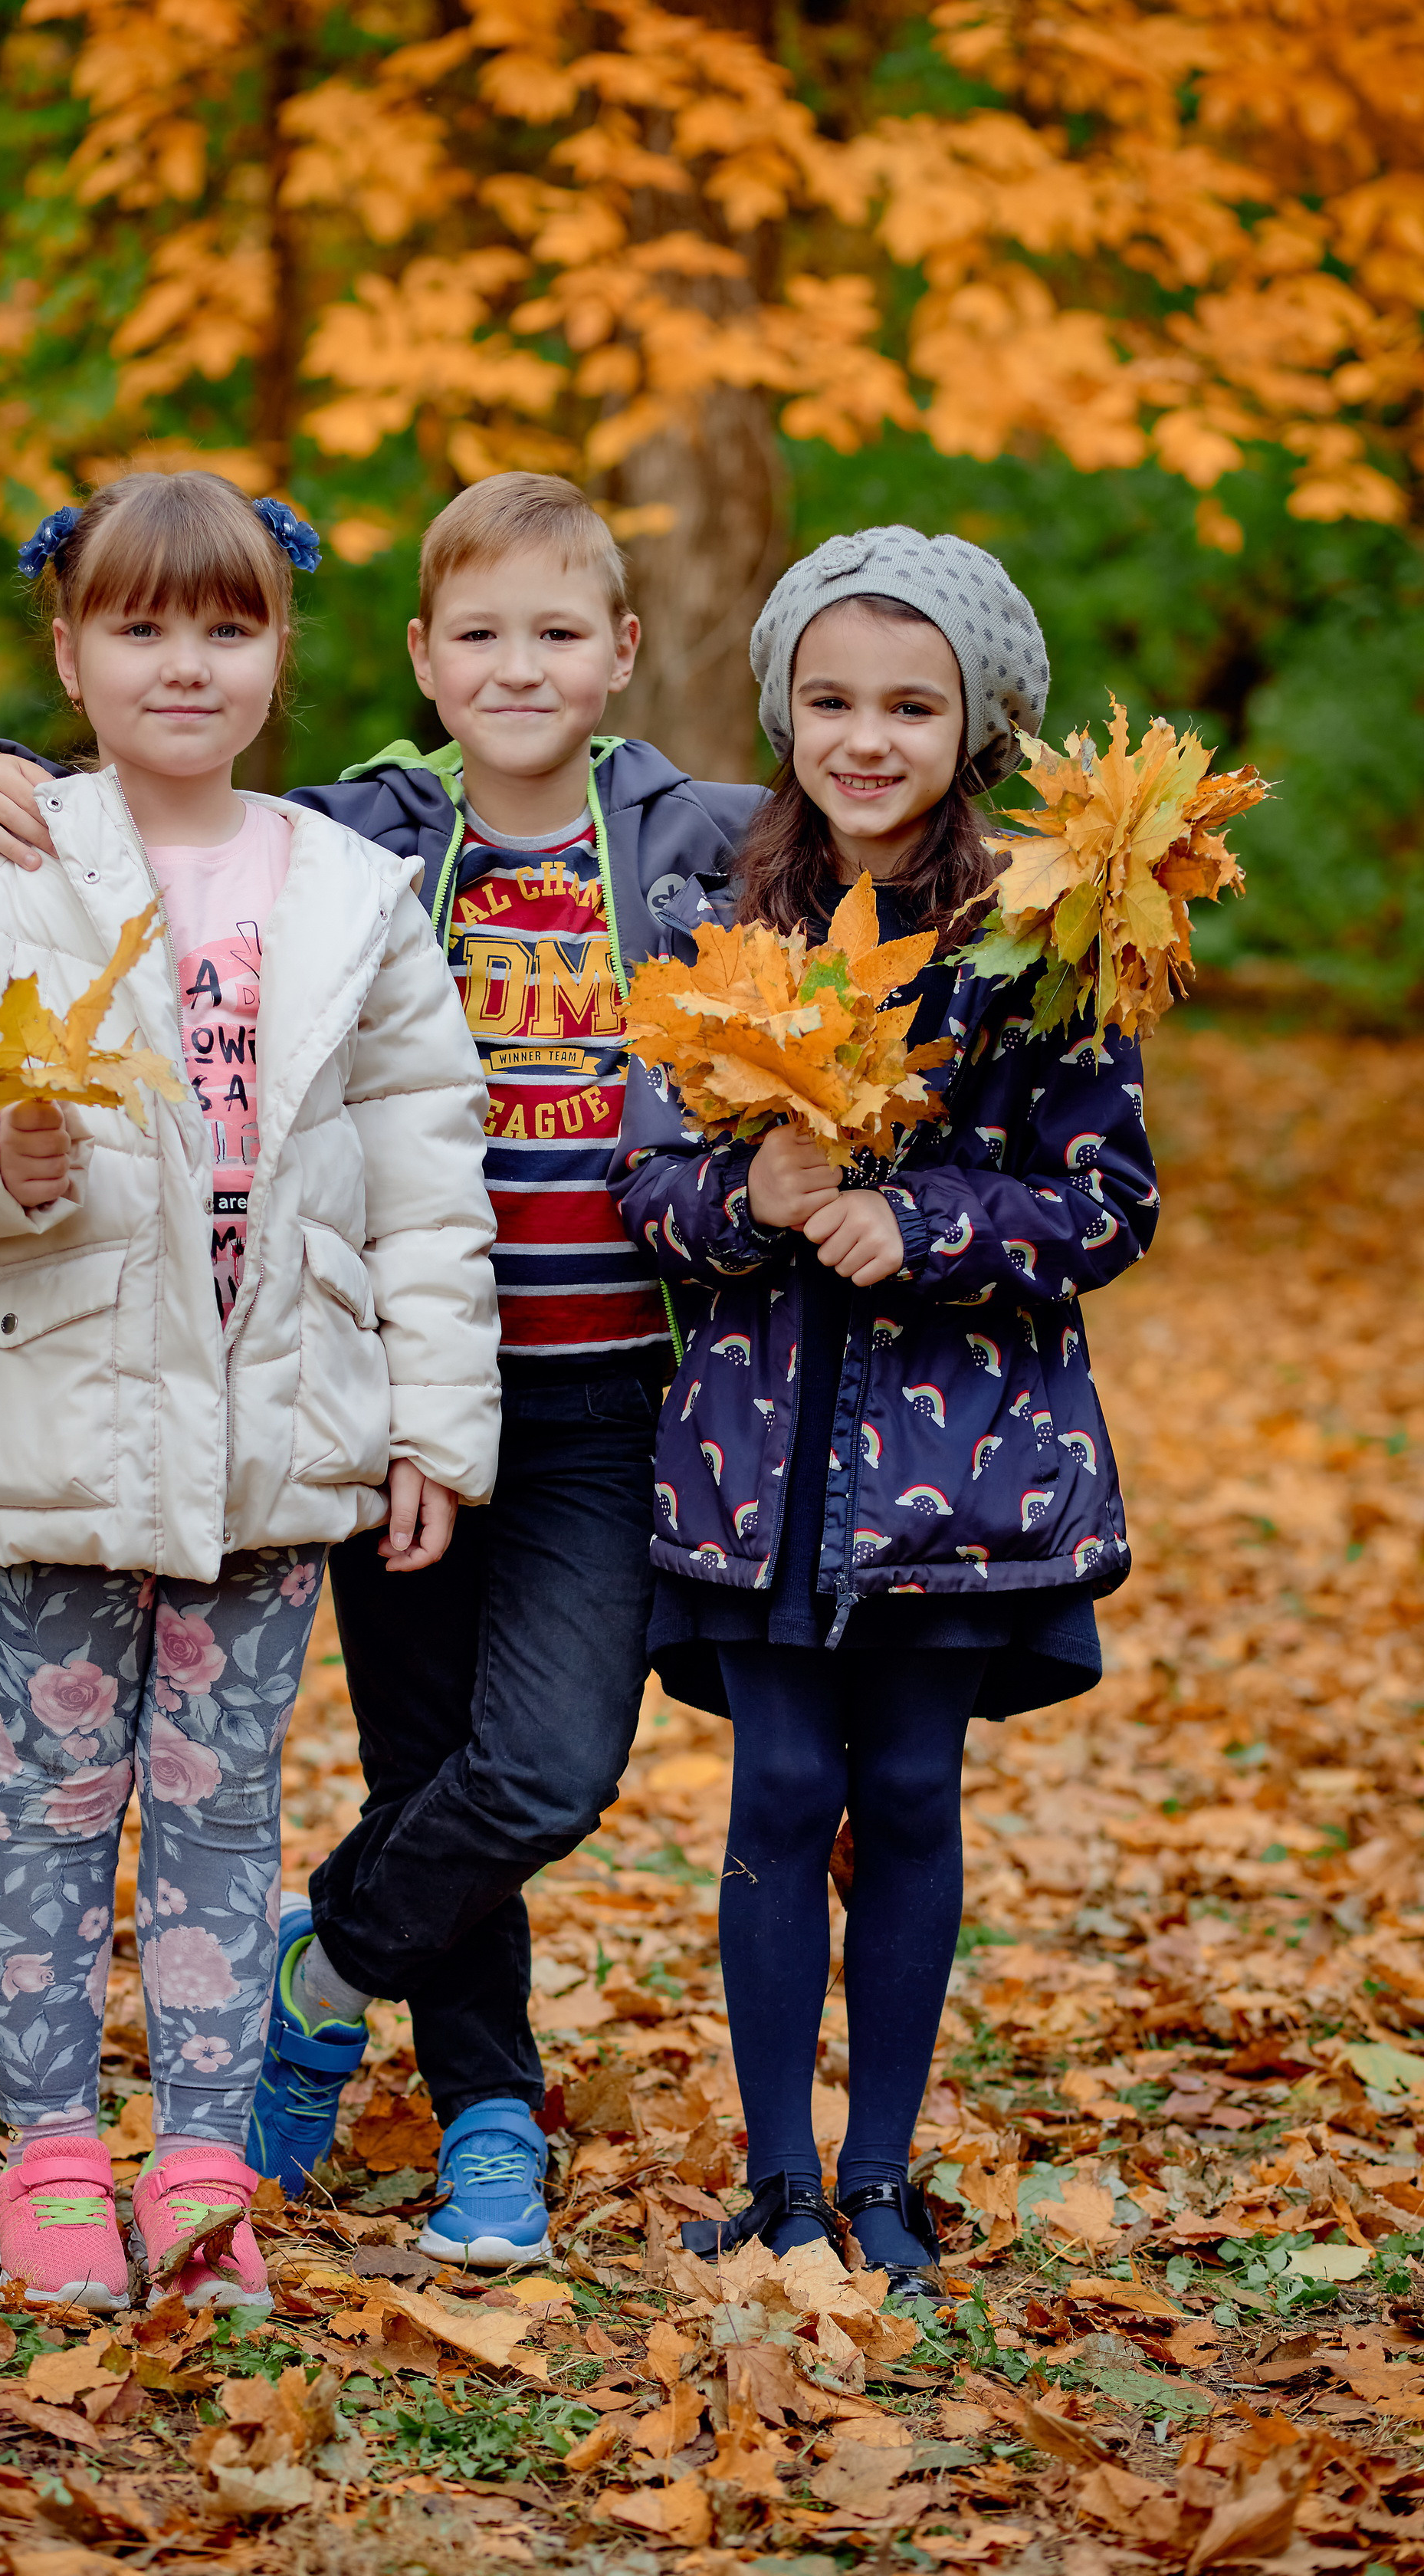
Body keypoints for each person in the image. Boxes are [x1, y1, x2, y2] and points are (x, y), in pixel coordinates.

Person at [0, 474, 766, 2266]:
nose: (517, 669)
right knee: (418, 1761)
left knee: (537, 1773)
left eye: (558, 634)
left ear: (621, 652)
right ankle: (483, 2123)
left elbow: (880, 831)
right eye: (479, 636)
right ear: (416, 659)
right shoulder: (360, 838)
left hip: (607, 1391)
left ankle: (330, 1956)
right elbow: (158, 801)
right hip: (366, 1395)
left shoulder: (698, 840)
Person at [0, 471, 500, 2313]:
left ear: (279, 652)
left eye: (229, 625)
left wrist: (435, 1416)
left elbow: (430, 1175)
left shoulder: (351, 891)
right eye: (140, 626)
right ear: (68, 652)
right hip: (55, 1416)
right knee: (51, 1791)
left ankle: (200, 2162)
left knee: (218, 1802)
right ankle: (47, 2154)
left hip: (271, 1431)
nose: (184, 664)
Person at [610, 527, 1159, 2292]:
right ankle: (776, 2177)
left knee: (908, 1789)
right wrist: (745, 1202)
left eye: (909, 704)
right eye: (831, 699)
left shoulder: (1044, 939)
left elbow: (1106, 1200)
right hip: (755, 1454)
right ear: (784, 711)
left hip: (962, 1461)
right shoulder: (724, 913)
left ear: (974, 722)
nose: (866, 736)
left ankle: (883, 2179)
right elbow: (648, 1188)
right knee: (777, 1783)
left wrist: (923, 1222)